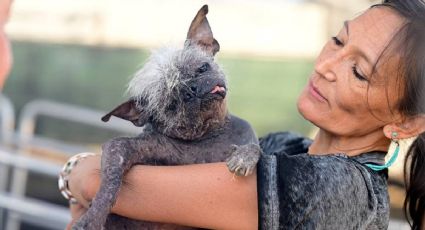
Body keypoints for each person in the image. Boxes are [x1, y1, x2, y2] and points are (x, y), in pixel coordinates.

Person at [61, 0, 425, 229]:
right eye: (338, 40)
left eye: (359, 71)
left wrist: (73, 171)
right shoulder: (283, 145)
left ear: (406, 122)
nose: (327, 65)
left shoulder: (343, 190)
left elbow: (95, 182)